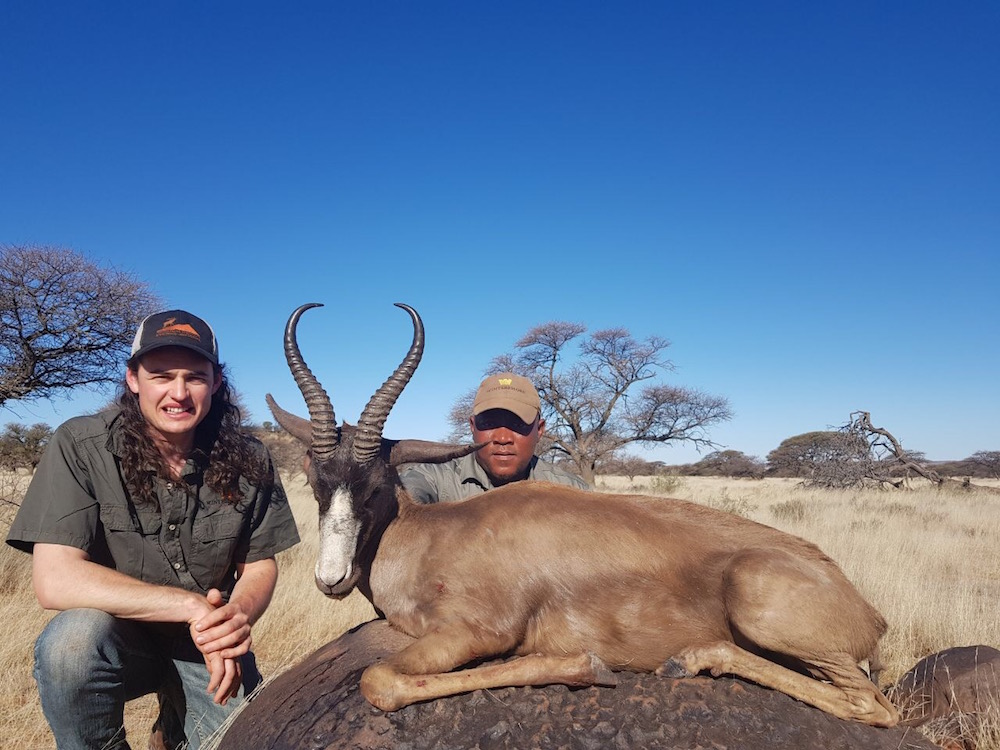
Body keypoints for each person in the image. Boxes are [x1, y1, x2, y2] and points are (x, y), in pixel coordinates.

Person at [6, 310, 300, 750]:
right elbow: (55, 580)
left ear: (216, 384)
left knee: (245, 739)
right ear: (133, 379)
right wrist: (191, 606)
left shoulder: (251, 457)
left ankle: (173, 723)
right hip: (119, 638)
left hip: (205, 644)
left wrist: (234, 618)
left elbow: (258, 562)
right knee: (70, 643)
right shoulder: (81, 444)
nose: (178, 393)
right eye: (161, 376)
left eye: (194, 377)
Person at [400, 372, 588, 503]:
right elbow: (405, 497)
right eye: (489, 424)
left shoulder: (572, 492)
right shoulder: (435, 478)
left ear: (539, 430)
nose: (503, 438)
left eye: (517, 424)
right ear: (473, 427)